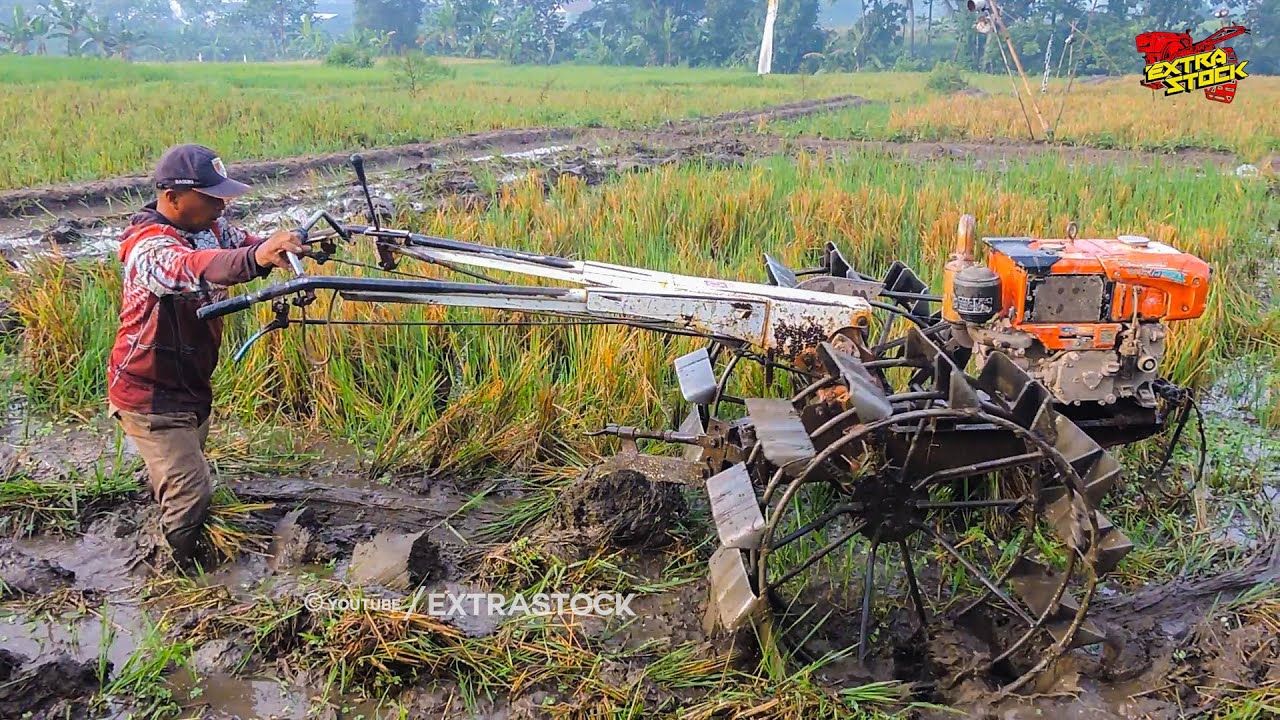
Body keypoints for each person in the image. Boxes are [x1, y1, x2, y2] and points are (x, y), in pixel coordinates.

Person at [106, 143, 306, 568]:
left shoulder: (212, 227)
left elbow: (246, 245)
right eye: (211, 197)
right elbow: (194, 267)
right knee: (191, 494)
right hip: (151, 395)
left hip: (191, 383)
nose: (222, 204)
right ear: (173, 197)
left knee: (182, 467)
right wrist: (255, 257)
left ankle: (158, 511)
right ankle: (171, 571)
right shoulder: (149, 248)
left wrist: (284, 247)